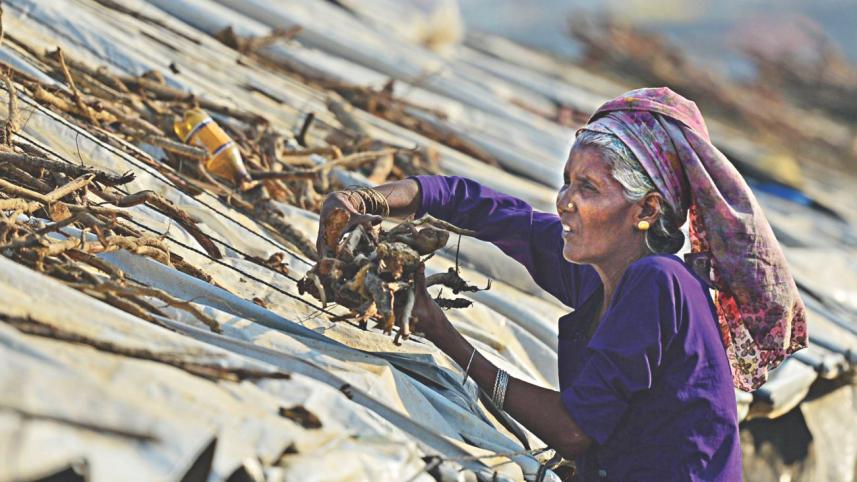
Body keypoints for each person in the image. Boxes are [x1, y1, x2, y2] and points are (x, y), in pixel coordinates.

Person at [316, 88, 808, 481]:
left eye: (588, 188)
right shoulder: (599, 268)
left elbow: (573, 432)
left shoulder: (658, 284)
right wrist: (371, 200)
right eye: (567, 181)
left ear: (647, 210)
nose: (564, 201)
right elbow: (489, 211)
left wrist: (439, 330)